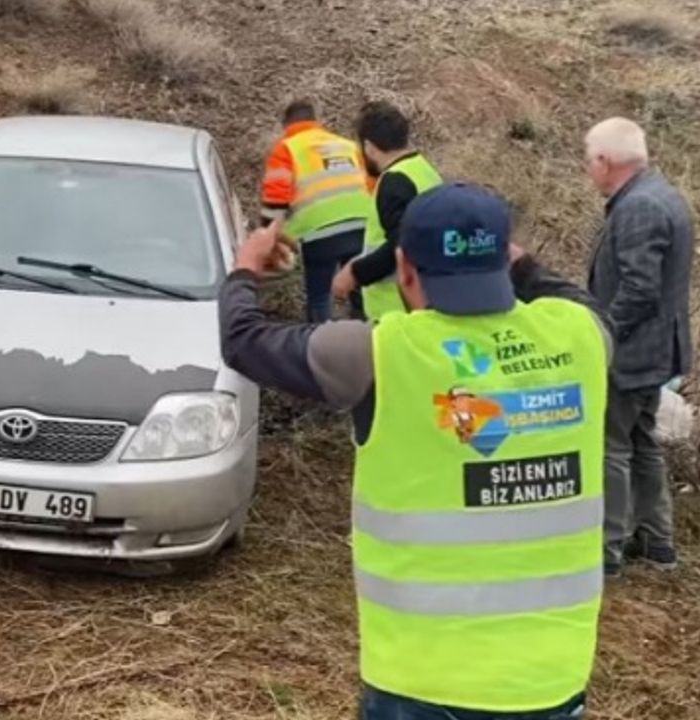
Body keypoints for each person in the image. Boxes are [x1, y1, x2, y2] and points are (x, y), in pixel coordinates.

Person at [221, 183, 611, 719]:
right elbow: (569, 295)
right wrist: (510, 259)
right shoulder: (582, 335)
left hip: (423, 684)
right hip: (552, 681)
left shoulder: (378, 354)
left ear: (404, 268)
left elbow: (243, 340)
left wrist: (245, 269)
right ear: (504, 259)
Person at [585, 117, 695, 576]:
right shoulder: (661, 194)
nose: (588, 170)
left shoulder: (638, 208)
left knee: (611, 446)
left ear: (605, 162)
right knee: (641, 441)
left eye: (589, 160)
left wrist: (601, 335)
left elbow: (639, 288)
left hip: (630, 354)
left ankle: (607, 552)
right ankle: (656, 541)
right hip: (655, 351)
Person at [259, 99, 371, 321]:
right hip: (363, 227)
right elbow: (372, 185)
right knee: (363, 290)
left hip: (321, 234)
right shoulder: (348, 145)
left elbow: (275, 201)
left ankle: (320, 345)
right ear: (317, 120)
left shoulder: (286, 149)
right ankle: (367, 341)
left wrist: (268, 242)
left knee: (319, 297)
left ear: (286, 124)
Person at [332, 101, 443, 320]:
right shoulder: (422, 169)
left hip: (396, 310)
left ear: (369, 147)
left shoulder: (394, 182)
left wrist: (355, 273)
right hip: (428, 296)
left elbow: (402, 244)